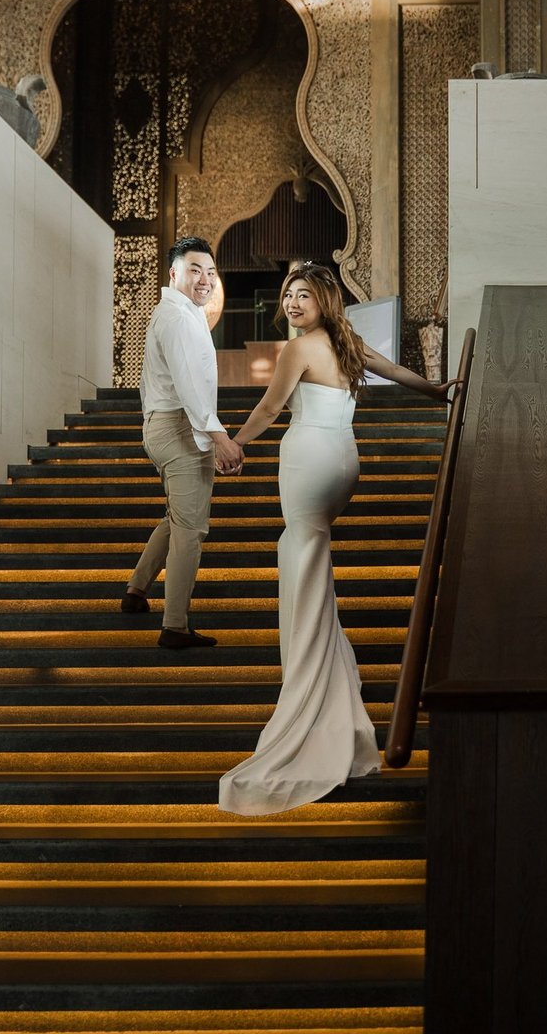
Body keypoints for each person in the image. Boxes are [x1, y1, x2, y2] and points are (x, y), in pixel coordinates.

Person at [218, 261, 455, 815]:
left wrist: (235, 443)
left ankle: (309, 698)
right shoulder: (347, 344)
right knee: (310, 561)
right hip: (343, 458)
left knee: (303, 563)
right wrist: (437, 391)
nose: (292, 303)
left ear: (324, 300)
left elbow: (271, 407)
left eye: (303, 295)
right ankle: (325, 685)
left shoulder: (299, 349)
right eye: (288, 295)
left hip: (310, 459)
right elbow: (393, 370)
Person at [121, 237, 243, 650]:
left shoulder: (182, 313)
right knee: (190, 529)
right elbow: (190, 386)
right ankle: (175, 626)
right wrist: (219, 438)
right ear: (174, 273)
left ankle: (136, 590)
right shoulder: (177, 318)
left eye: (210, 271)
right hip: (179, 427)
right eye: (194, 270)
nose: (205, 279)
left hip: (166, 426)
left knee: (177, 517)